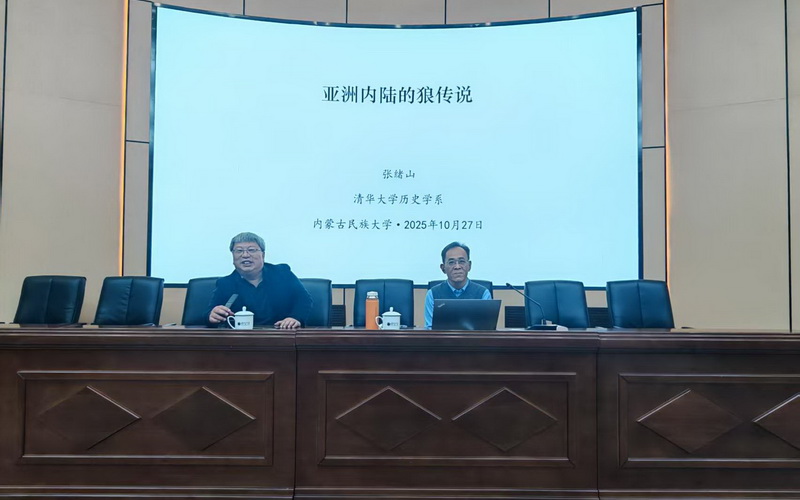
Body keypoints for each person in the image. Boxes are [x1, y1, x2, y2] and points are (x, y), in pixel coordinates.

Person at [208, 232, 312, 329]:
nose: (245, 255)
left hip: (281, 333)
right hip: (242, 338)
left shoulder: (282, 273)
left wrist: (295, 318)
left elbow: (304, 299)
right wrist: (212, 315)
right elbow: (210, 313)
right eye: (239, 251)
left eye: (251, 250)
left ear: (263, 255)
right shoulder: (225, 284)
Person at [424, 241, 491, 329]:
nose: (457, 267)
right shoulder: (432, 294)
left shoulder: (483, 294)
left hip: (475, 338)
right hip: (441, 338)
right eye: (451, 262)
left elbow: (487, 329)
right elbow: (430, 329)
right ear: (443, 268)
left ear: (469, 266)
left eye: (461, 261)